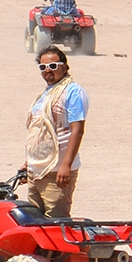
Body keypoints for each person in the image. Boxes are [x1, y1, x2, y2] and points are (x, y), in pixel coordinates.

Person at [25, 45, 88, 218]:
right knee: (32, 223)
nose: (48, 71)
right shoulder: (44, 95)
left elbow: (77, 130)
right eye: (43, 67)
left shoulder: (72, 92)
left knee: (55, 224)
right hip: (36, 171)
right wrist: (27, 163)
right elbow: (37, 130)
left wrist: (66, 165)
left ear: (65, 66)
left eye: (53, 66)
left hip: (56, 172)